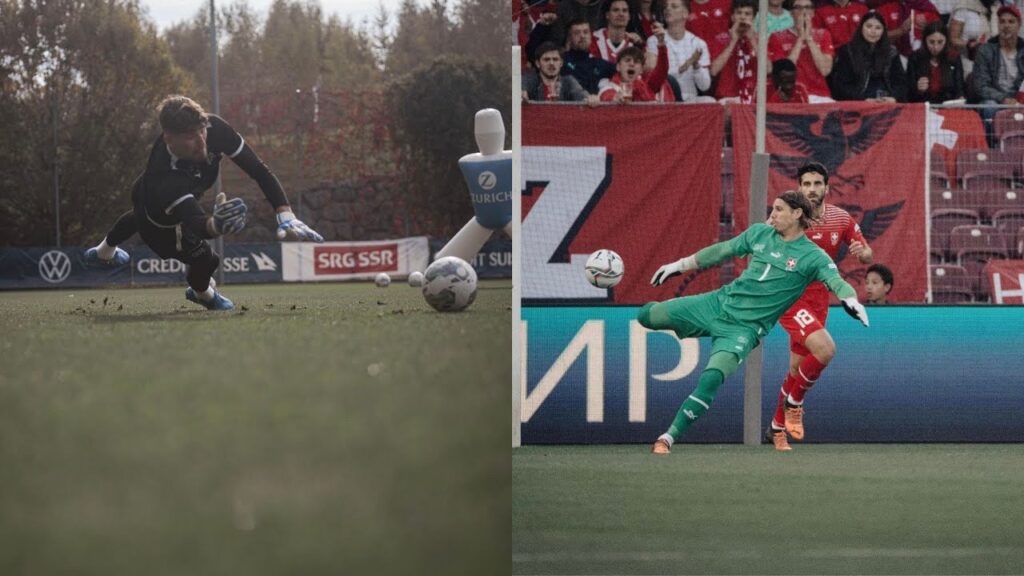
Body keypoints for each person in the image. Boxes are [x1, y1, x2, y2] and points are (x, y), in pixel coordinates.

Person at [643, 190, 870, 455]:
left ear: (797, 214)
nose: (771, 215)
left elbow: (838, 282)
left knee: (711, 378)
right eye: (772, 209)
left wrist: (851, 301)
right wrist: (678, 265)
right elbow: (722, 250)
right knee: (647, 316)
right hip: (716, 304)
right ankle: (785, 413)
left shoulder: (814, 256)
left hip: (743, 330)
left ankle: (667, 438)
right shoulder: (760, 234)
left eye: (778, 209)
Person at [84, 96, 322, 310]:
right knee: (206, 259)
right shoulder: (165, 177)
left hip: (145, 191)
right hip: (163, 223)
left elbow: (258, 169)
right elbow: (197, 223)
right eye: (189, 136)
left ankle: (103, 252)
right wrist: (216, 225)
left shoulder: (214, 127)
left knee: (138, 214)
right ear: (168, 138)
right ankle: (203, 295)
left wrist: (285, 213)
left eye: (201, 131)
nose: (201, 143)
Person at [766, 162, 873, 451]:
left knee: (797, 367)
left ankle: (776, 428)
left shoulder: (840, 218)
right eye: (806, 184)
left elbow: (866, 253)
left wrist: (862, 252)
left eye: (817, 184)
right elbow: (762, 245)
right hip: (789, 295)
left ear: (826, 187)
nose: (811, 189)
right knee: (825, 350)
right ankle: (794, 404)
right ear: (798, 187)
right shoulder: (788, 215)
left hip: (819, 297)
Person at [972, 5, 1024, 145]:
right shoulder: (985, 50)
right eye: (1002, 21)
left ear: (1019, 25)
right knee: (989, 107)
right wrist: (1003, 99)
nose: (1006, 26)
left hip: (1020, 98)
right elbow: (980, 86)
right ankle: (992, 149)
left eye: (1011, 21)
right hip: (995, 99)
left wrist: (1017, 99)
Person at [830, 12, 909, 102]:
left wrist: (894, 98)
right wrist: (863, 100)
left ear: (883, 31)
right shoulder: (847, 51)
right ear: (861, 28)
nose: (873, 31)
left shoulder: (891, 52)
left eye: (878, 28)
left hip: (886, 100)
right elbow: (841, 86)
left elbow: (901, 83)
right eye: (869, 26)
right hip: (859, 101)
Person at [646, 0, 716, 102]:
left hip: (690, 98)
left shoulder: (698, 44)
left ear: (685, 14)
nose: (668, 9)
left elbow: (704, 86)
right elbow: (655, 76)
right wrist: (685, 65)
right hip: (665, 98)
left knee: (710, 102)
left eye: (674, 6)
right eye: (666, 7)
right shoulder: (654, 40)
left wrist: (696, 65)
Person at [527, 17, 618, 94]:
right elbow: (533, 54)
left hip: (592, 111)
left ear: (591, 36)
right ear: (569, 38)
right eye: (577, 33)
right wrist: (542, 26)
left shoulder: (599, 63)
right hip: (563, 110)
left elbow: (624, 70)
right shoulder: (559, 60)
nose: (582, 36)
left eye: (586, 32)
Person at [768, 0, 836, 102]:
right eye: (798, 8)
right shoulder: (777, 37)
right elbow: (783, 72)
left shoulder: (824, 34)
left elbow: (825, 70)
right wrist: (799, 39)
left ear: (813, 12)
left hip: (819, 94)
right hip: (791, 95)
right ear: (791, 13)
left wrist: (809, 38)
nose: (804, 11)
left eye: (808, 7)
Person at [710, 0, 759, 103]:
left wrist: (752, 40)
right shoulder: (720, 39)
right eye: (739, 13)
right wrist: (733, 41)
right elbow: (713, 70)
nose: (742, 17)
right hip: (727, 97)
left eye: (747, 14)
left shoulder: (758, 39)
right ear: (732, 17)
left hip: (753, 97)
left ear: (754, 18)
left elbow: (768, 69)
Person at [906, 22, 966, 103]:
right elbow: (907, 93)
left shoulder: (954, 58)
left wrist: (960, 98)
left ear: (946, 40)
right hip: (922, 105)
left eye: (940, 42)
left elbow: (959, 88)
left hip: (948, 106)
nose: (935, 47)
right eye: (931, 42)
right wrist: (918, 90)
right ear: (925, 41)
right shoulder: (915, 58)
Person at [522, 42, 599, 103]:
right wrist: (521, 94)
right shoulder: (529, 80)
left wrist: (591, 99)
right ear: (538, 63)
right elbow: (521, 90)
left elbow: (582, 96)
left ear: (561, 63)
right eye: (546, 59)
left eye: (555, 59)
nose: (551, 63)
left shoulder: (568, 81)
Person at [599, 41, 671, 102]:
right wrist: (615, 98)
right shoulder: (608, 87)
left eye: (636, 62)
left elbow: (662, 70)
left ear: (641, 70)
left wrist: (662, 46)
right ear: (618, 67)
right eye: (627, 60)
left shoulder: (648, 86)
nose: (632, 64)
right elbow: (606, 96)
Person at [877, 0, 941, 57]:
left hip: (924, 53)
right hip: (895, 55)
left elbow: (939, 29)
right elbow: (877, 36)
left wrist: (928, 24)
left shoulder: (924, 4)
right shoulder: (884, 5)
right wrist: (901, 30)